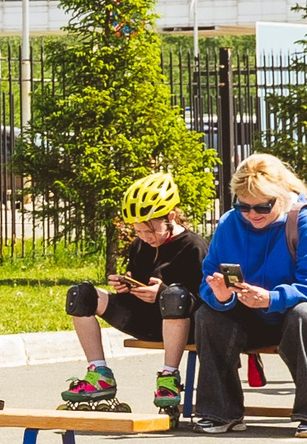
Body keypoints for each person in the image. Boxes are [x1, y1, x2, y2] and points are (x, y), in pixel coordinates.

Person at [190, 153, 307, 437]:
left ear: (281, 195)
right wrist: (219, 295)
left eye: (262, 206)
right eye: (244, 206)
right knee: (207, 315)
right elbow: (208, 275)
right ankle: (221, 412)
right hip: (248, 313)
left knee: (305, 315)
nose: (253, 214)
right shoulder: (230, 223)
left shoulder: (303, 219)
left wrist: (271, 298)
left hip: (293, 314)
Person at [57, 172, 202, 416]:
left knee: (174, 297)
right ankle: (99, 373)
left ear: (171, 217)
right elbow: (138, 279)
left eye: (151, 231)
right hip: (144, 319)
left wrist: (163, 293)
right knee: (80, 295)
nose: (145, 238)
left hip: (185, 325)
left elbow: (203, 298)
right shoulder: (140, 246)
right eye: (138, 232)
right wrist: (126, 286)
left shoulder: (193, 246)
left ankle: (168, 378)